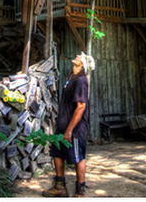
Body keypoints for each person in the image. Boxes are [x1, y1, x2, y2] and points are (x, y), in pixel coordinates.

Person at [43, 52, 95, 198]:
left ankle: (80, 191)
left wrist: (69, 130)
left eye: (81, 57)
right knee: (57, 153)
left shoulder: (81, 81)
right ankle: (60, 187)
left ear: (83, 64)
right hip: (63, 125)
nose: (78, 56)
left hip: (75, 129)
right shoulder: (72, 78)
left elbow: (81, 107)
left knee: (78, 157)